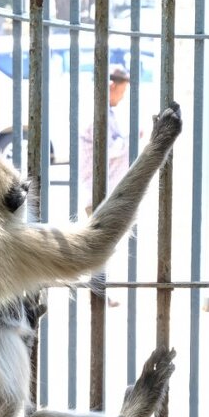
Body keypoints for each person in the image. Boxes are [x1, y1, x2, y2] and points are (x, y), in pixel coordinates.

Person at [79, 65, 135, 307]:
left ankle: (98, 287)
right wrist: (132, 138)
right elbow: (111, 147)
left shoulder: (106, 112)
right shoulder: (99, 114)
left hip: (103, 189)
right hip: (97, 189)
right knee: (101, 241)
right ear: (113, 86)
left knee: (104, 242)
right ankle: (97, 289)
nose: (122, 97)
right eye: (122, 91)